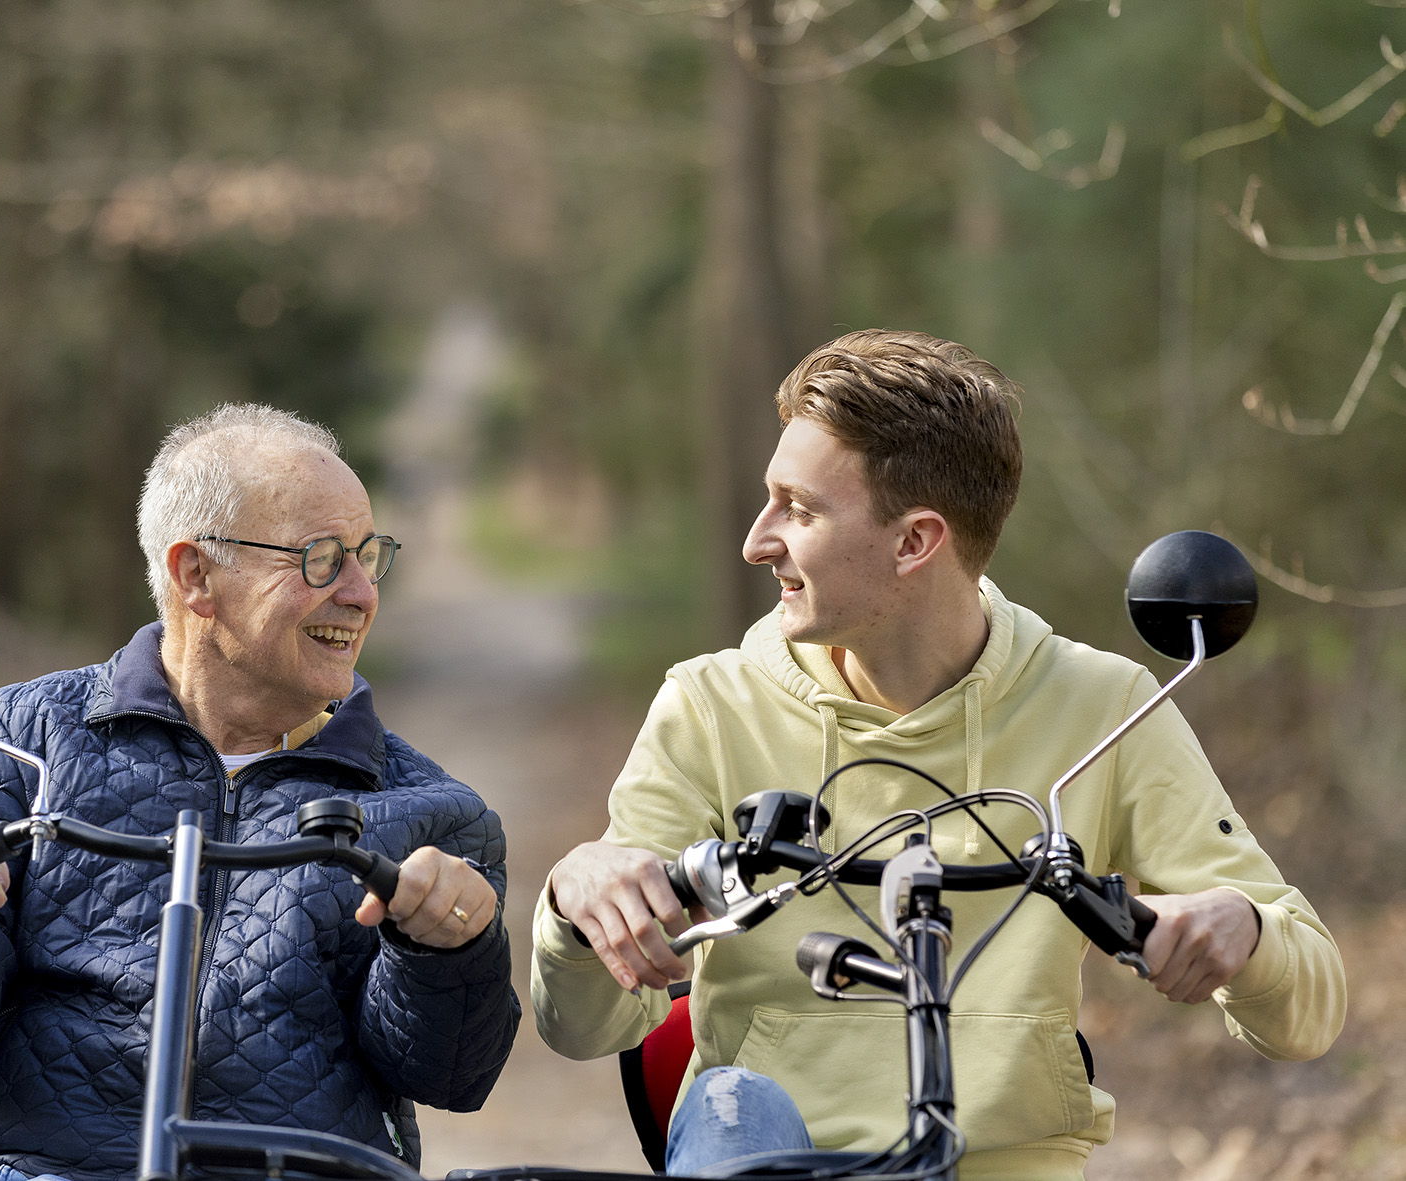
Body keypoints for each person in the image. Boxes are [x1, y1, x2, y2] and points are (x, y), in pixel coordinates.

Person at [530, 330, 1345, 1179]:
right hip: (775, 1153)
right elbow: (583, 1026)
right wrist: (576, 903)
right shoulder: (710, 705)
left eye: (798, 509)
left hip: (1006, 1163)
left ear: (915, 541)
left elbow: (1310, 1014)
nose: (757, 540)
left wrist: (1248, 930)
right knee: (731, 1102)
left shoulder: (1105, 709)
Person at [0, 404, 521, 1181]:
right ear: (196, 575)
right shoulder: (22, 741)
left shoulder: (432, 811)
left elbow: (451, 1074)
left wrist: (448, 948)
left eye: (369, 557)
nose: (362, 593)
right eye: (322, 559)